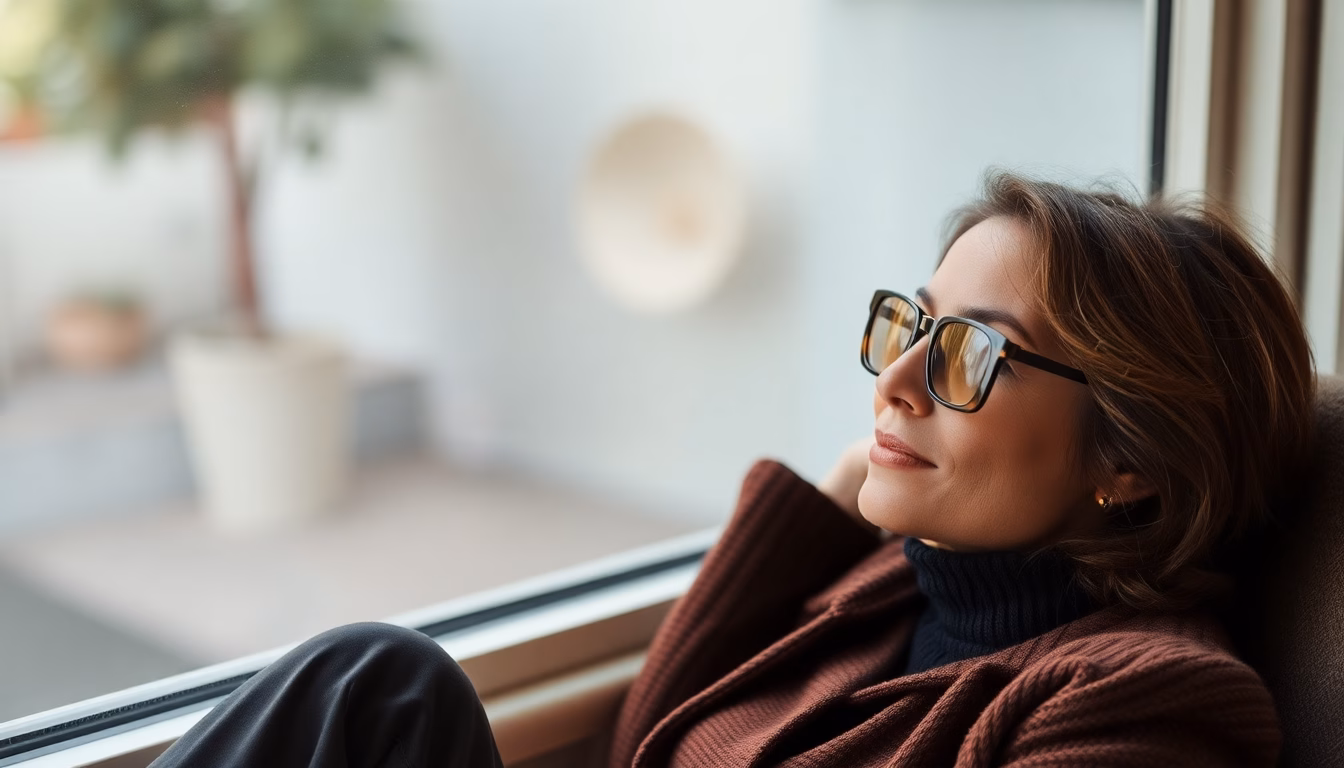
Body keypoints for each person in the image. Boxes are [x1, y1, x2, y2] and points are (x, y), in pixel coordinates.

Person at [151, 172, 1313, 767]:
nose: (896, 376)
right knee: (385, 686)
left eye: (970, 352)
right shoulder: (890, 590)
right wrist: (838, 491)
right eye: (911, 321)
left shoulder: (1145, 697)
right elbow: (649, 736)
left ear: (1128, 461)